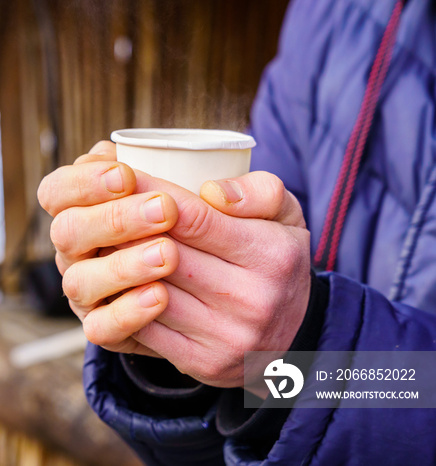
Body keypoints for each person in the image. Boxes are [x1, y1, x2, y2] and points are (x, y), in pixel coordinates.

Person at [37, 0, 436, 463]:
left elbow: (291, 338)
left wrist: (304, 348)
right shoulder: (333, 13)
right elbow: (256, 303)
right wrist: (176, 344)